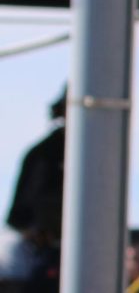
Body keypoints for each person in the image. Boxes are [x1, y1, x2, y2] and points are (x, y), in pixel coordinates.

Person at [1, 86, 67, 292]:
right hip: (35, 247)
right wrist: (36, 232)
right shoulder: (43, 154)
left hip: (85, 246)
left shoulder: (110, 152)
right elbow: (18, 215)